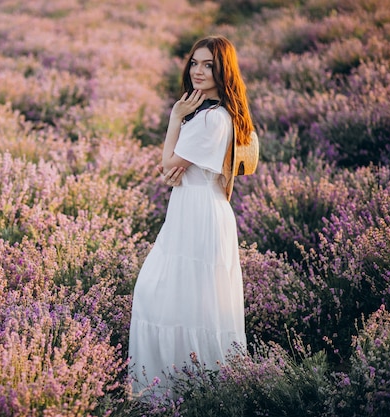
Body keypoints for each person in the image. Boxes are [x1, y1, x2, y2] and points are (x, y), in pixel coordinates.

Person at [128, 35, 252, 396]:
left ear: (223, 70)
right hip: (197, 209)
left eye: (208, 65)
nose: (198, 71)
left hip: (197, 213)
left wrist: (174, 118)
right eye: (194, 63)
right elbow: (172, 172)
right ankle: (193, 390)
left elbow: (168, 165)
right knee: (189, 301)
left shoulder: (210, 119)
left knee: (165, 296)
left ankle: (173, 392)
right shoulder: (214, 113)